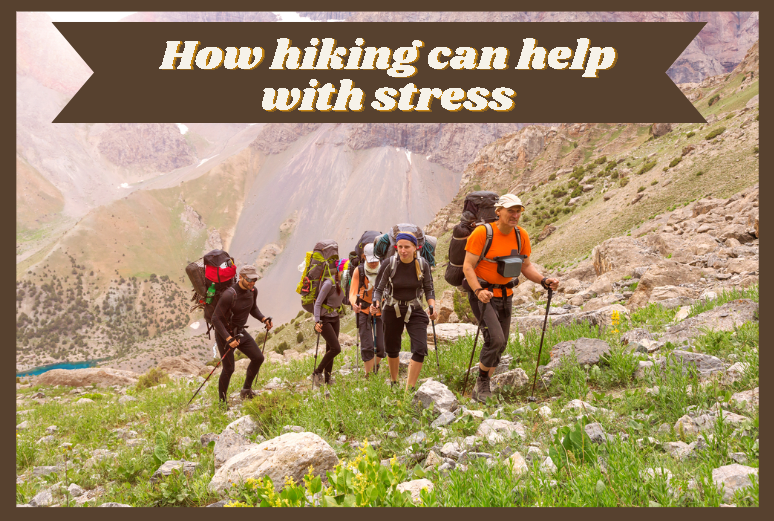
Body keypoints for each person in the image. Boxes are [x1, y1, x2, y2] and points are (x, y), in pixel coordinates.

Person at [462, 193, 559, 403]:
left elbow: (526, 266)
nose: (515, 215)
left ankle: (482, 387)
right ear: (499, 212)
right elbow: (467, 266)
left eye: (518, 211)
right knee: (495, 339)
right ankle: (482, 382)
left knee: (502, 343)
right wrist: (479, 291)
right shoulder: (481, 233)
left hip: (506, 294)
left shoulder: (520, 235)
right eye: (510, 211)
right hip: (483, 295)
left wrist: (543, 280)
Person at [371, 232, 438, 391]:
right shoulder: (389, 264)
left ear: (416, 247)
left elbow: (429, 289)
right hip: (392, 309)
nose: (403, 250)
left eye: (407, 247)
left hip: (414, 309)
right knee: (392, 348)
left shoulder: (423, 264)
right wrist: (376, 303)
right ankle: (394, 382)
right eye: (399, 247)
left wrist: (432, 307)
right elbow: (378, 289)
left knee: (420, 348)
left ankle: (410, 389)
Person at [211, 265, 273, 407]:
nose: (252, 282)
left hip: (239, 332)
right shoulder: (229, 294)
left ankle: (246, 390)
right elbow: (215, 318)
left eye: (255, 279)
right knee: (229, 368)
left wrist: (264, 319)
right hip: (224, 334)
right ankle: (222, 403)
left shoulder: (252, 291)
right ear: (241, 277)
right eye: (249, 279)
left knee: (258, 358)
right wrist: (228, 338)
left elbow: (253, 308)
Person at [350, 243, 385, 376]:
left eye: (376, 261)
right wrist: (354, 304)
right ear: (364, 257)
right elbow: (353, 292)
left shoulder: (384, 269)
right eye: (370, 261)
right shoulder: (359, 271)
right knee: (366, 346)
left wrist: (378, 305)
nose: (373, 263)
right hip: (363, 311)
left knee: (381, 348)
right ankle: (369, 375)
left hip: (380, 311)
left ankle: (375, 367)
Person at [312, 261, 346, 387]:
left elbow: (344, 299)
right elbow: (318, 303)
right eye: (345, 270)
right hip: (324, 319)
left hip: (335, 318)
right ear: (339, 271)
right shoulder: (328, 284)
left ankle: (327, 379)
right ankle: (317, 372)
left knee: (330, 348)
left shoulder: (344, 282)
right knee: (336, 349)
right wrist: (317, 321)